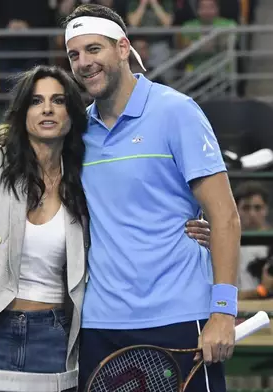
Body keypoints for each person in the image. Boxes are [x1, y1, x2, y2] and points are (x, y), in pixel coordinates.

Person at [0, 65, 211, 384]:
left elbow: (131, 218)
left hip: (53, 339)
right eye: (35, 101)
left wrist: (190, 229)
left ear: (72, 114)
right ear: (22, 114)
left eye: (58, 101)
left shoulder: (88, 176)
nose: (47, 108)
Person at [62, 4, 241, 391]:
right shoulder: (76, 133)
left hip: (181, 317)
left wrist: (223, 310)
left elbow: (225, 216)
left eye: (94, 49)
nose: (83, 63)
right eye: (74, 54)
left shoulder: (177, 112)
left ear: (123, 48)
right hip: (101, 324)